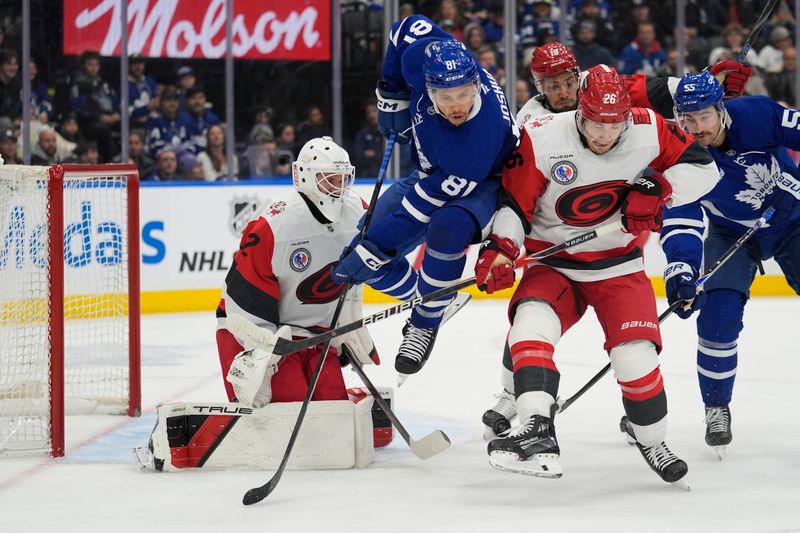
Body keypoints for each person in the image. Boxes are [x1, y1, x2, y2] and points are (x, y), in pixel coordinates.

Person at [481, 43, 752, 438]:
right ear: (536, 84)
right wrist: (501, 244)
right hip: (557, 250)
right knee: (532, 322)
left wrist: (706, 84)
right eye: (549, 84)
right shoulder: (532, 123)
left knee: (631, 347)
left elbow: (659, 92)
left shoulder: (604, 90)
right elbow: (516, 192)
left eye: (567, 81)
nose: (560, 91)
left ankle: (639, 417)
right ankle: (513, 393)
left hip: (616, 238)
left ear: (579, 76)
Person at [331, 15, 520, 382]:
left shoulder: (475, 143)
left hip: (488, 181)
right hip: (431, 172)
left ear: (476, 83)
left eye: (464, 93)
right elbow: (405, 29)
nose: (457, 105)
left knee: (442, 230)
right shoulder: (427, 58)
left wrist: (374, 250)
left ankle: (425, 320)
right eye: (446, 97)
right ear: (430, 89)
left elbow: (417, 212)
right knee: (362, 243)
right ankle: (433, 296)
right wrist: (392, 94)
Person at [655, 71, 800, 457]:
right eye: (688, 118)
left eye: (704, 116)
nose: (697, 126)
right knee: (717, 318)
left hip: (793, 221)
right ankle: (716, 407)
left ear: (721, 108)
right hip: (732, 234)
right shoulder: (679, 156)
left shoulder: (756, 113)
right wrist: (681, 270)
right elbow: (681, 220)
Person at [216, 136, 376, 408]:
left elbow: (358, 278)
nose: (338, 188)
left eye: (342, 179)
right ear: (304, 176)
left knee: (332, 412)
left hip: (316, 336)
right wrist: (262, 354)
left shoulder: (357, 211)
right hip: (259, 333)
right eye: (329, 179)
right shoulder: (275, 223)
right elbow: (245, 294)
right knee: (285, 411)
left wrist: (345, 327)